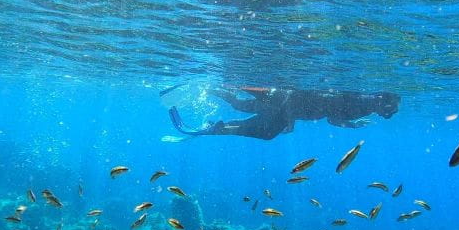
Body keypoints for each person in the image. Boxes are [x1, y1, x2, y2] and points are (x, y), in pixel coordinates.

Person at [167, 85, 400, 140]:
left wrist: (354, 125)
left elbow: (333, 118)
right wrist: (290, 120)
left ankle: (215, 124)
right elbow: (313, 102)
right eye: (387, 109)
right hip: (284, 103)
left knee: (262, 129)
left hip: (284, 107)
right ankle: (210, 88)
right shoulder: (358, 102)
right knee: (242, 107)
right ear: (382, 100)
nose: (384, 113)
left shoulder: (362, 105)